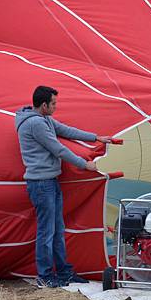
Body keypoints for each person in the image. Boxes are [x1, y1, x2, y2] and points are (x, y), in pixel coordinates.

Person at [15, 85, 111, 288]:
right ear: (43, 105)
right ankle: (45, 275)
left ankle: (64, 272)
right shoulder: (35, 124)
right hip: (41, 184)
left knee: (57, 229)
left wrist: (95, 137)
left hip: (50, 181)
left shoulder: (44, 119)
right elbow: (58, 149)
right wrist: (85, 164)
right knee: (46, 231)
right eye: (54, 104)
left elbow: (66, 130)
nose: (56, 107)